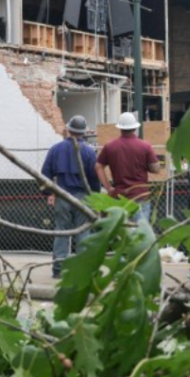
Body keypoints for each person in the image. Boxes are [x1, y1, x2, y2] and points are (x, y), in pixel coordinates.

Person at [42, 115, 102, 279]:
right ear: (83, 132)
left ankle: (58, 269)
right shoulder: (89, 152)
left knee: (61, 232)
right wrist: (95, 197)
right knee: (83, 233)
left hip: (62, 195)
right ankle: (82, 269)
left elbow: (45, 174)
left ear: (68, 129)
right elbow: (94, 178)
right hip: (82, 197)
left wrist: (50, 193)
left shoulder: (56, 149)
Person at [96, 112, 162, 223]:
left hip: (119, 197)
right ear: (135, 127)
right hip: (140, 196)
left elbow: (98, 166)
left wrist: (108, 188)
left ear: (120, 128)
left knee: (122, 232)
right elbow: (156, 169)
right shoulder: (145, 146)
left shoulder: (110, 147)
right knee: (140, 233)